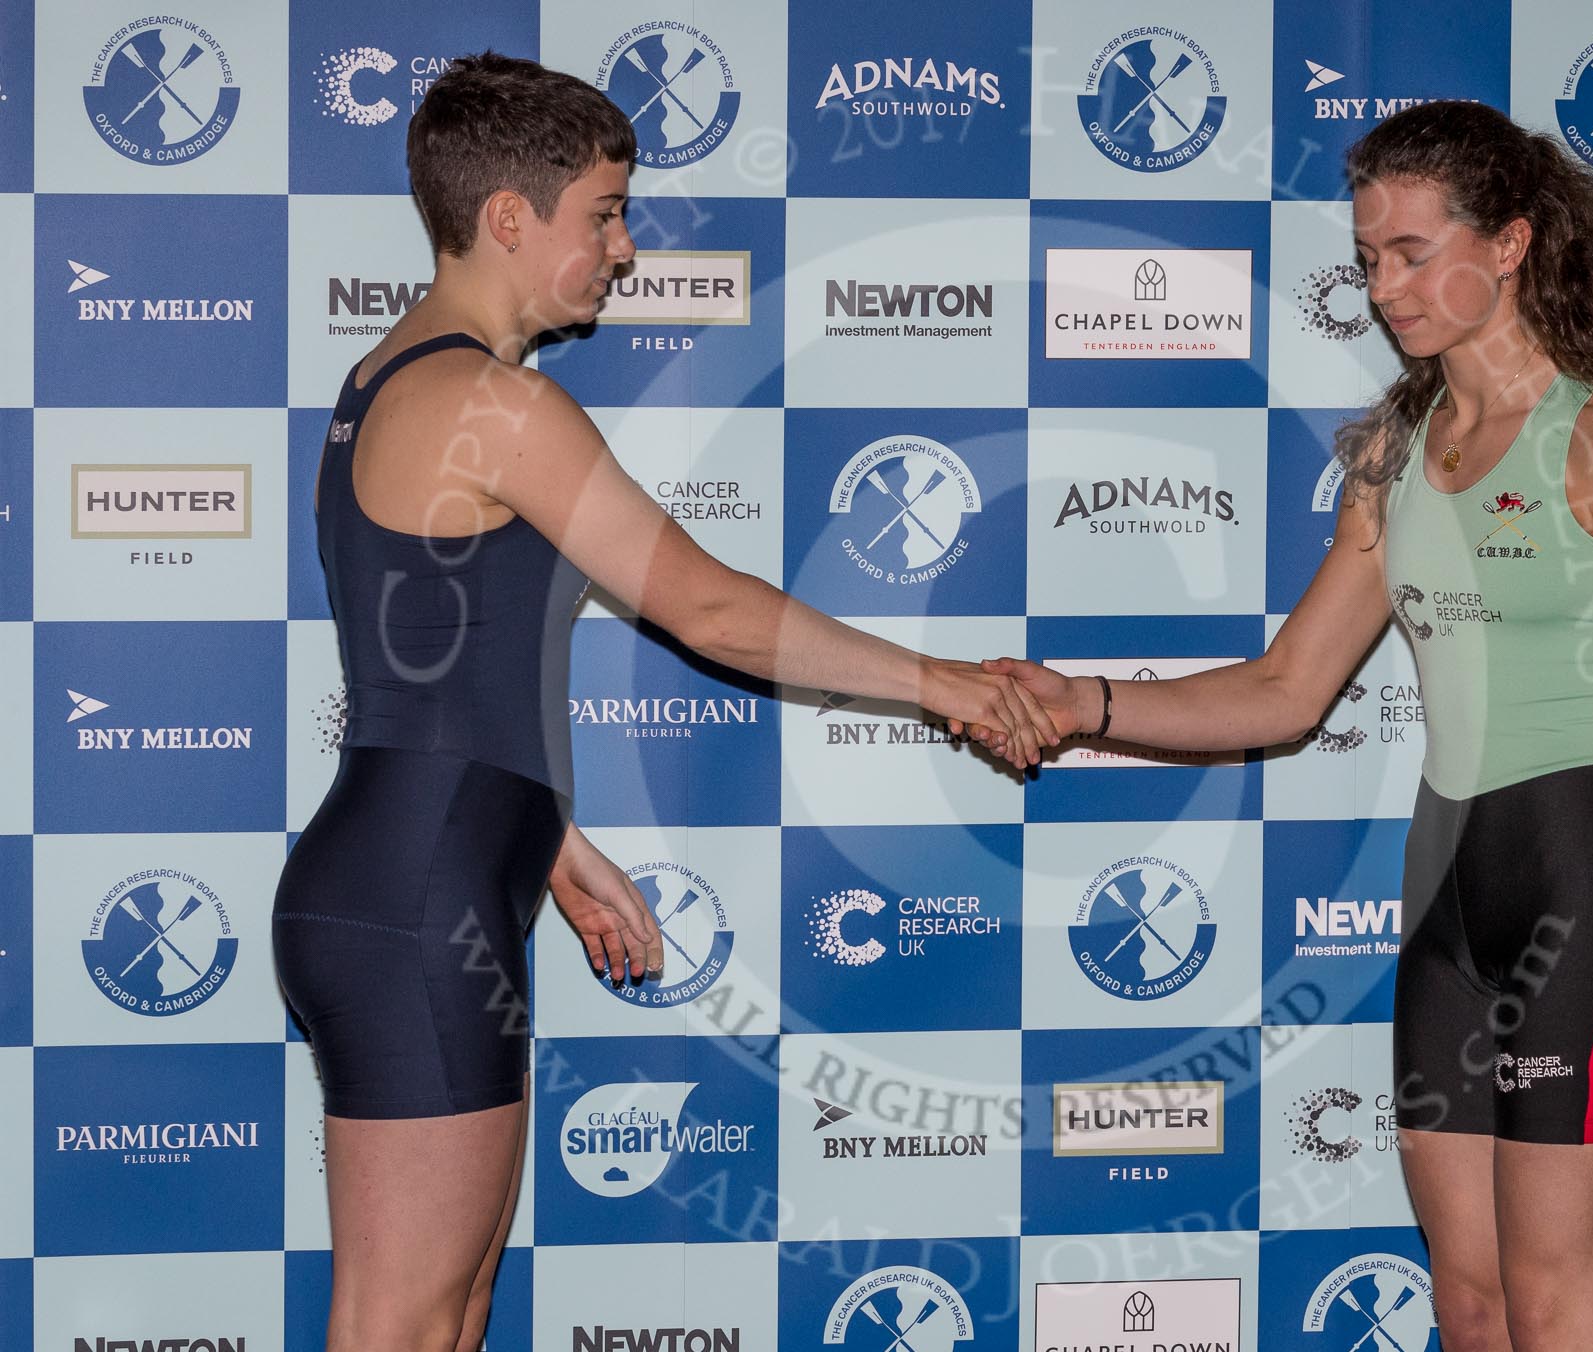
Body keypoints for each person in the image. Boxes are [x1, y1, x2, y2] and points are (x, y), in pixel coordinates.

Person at [271, 53, 1054, 1352]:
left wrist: (550, 841)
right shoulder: (495, 403)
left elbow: (428, 674)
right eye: (604, 214)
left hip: (409, 875)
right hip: (417, 900)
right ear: (509, 217)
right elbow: (710, 609)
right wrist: (950, 685)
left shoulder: (384, 382)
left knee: (442, 1316)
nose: (624, 249)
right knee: (407, 1320)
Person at [989, 100, 1593, 1352]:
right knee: (1470, 1304)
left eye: (1412, 251)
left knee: (1560, 1311)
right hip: (1444, 895)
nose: (1383, 287)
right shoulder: (1394, 453)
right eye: (1367, 258)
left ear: (1510, 243)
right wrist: (1090, 704)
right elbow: (1286, 688)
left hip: (1587, 879)